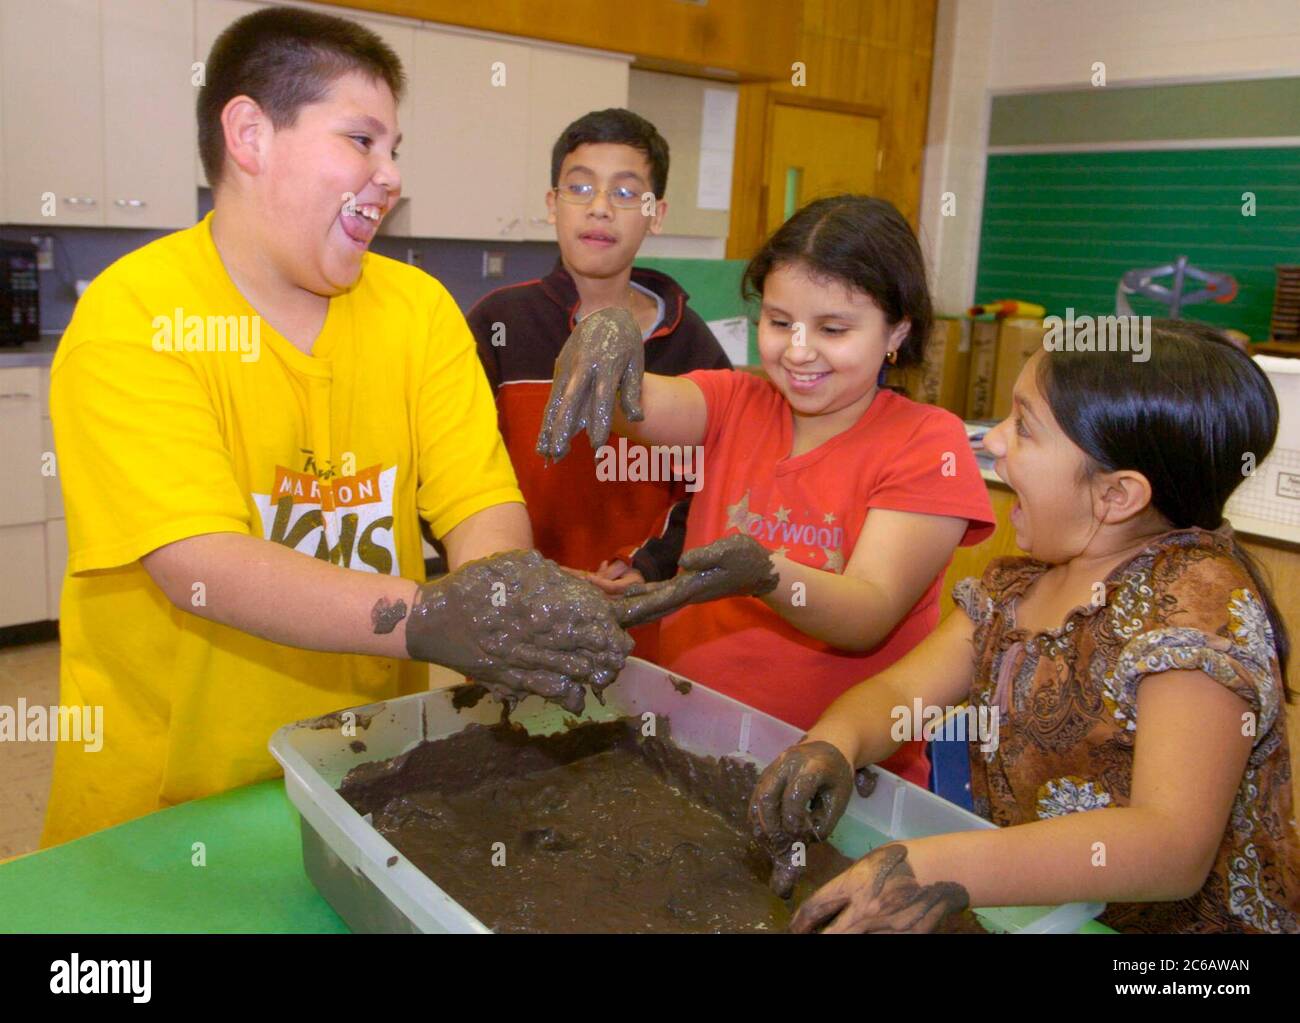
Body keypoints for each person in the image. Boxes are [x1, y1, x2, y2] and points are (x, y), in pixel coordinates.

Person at [41, 8, 631, 846]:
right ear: (250, 134)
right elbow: (197, 560)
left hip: (368, 774)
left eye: (395, 150)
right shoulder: (135, 315)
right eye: (361, 140)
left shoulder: (418, 311)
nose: (389, 175)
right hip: (168, 807)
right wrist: (427, 617)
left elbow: (477, 501)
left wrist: (499, 601)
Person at [751, 322, 1299, 933]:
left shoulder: (1193, 616)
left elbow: (1170, 845)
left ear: (1116, 496)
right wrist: (836, 741)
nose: (996, 442)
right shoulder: (1021, 585)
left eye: (1025, 427)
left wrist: (928, 865)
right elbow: (902, 696)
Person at [537, 195, 996, 786]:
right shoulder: (736, 402)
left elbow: (868, 612)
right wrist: (607, 332)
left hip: (841, 776)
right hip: (690, 744)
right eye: (780, 323)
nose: (798, 350)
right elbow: (628, 402)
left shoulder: (926, 444)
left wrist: (767, 576)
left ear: (897, 331)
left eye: (833, 329)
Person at [468, 108, 731, 659]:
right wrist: (511, 563)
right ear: (551, 204)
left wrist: (651, 565)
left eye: (626, 192)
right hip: (517, 615)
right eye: (580, 187)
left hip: (644, 625)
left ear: (656, 214)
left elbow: (716, 483)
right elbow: (454, 466)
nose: (600, 207)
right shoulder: (499, 323)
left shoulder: (692, 344)